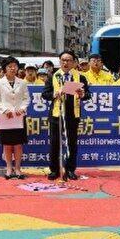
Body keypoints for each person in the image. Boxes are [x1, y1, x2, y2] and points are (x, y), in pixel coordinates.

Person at [42, 51, 90, 181]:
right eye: (63, 60)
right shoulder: (53, 76)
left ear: (74, 62)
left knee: (71, 143)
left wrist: (82, 94)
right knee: (55, 143)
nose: (66, 62)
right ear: (60, 61)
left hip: (72, 114)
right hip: (56, 114)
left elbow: (88, 95)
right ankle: (55, 170)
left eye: (69, 60)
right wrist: (55, 94)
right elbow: (45, 94)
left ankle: (70, 170)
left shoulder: (80, 77)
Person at [0, 56, 30, 180]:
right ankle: (9, 168)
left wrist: (22, 108)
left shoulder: (22, 82)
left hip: (18, 117)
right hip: (5, 117)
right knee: (7, 145)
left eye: (15, 66)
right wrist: (4, 109)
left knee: (18, 144)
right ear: (4, 69)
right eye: (10, 66)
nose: (13, 68)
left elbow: (26, 98)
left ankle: (18, 168)